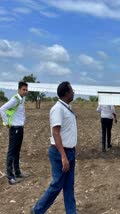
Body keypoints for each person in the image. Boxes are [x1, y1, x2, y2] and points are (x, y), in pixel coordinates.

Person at [31, 81, 77, 214]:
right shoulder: (58, 109)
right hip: (60, 153)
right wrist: (63, 156)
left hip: (70, 151)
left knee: (69, 185)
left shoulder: (67, 107)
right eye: (71, 90)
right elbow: (55, 132)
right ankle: (37, 210)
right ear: (66, 93)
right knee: (57, 184)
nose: (73, 92)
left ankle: (71, 211)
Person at [0, 81, 29, 185]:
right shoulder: (15, 99)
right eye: (23, 89)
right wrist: (6, 123)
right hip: (15, 128)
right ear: (19, 89)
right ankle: (10, 176)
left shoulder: (22, 99)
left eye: (26, 89)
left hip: (20, 127)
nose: (25, 91)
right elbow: (2, 109)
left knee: (17, 151)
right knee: (11, 152)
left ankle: (17, 172)